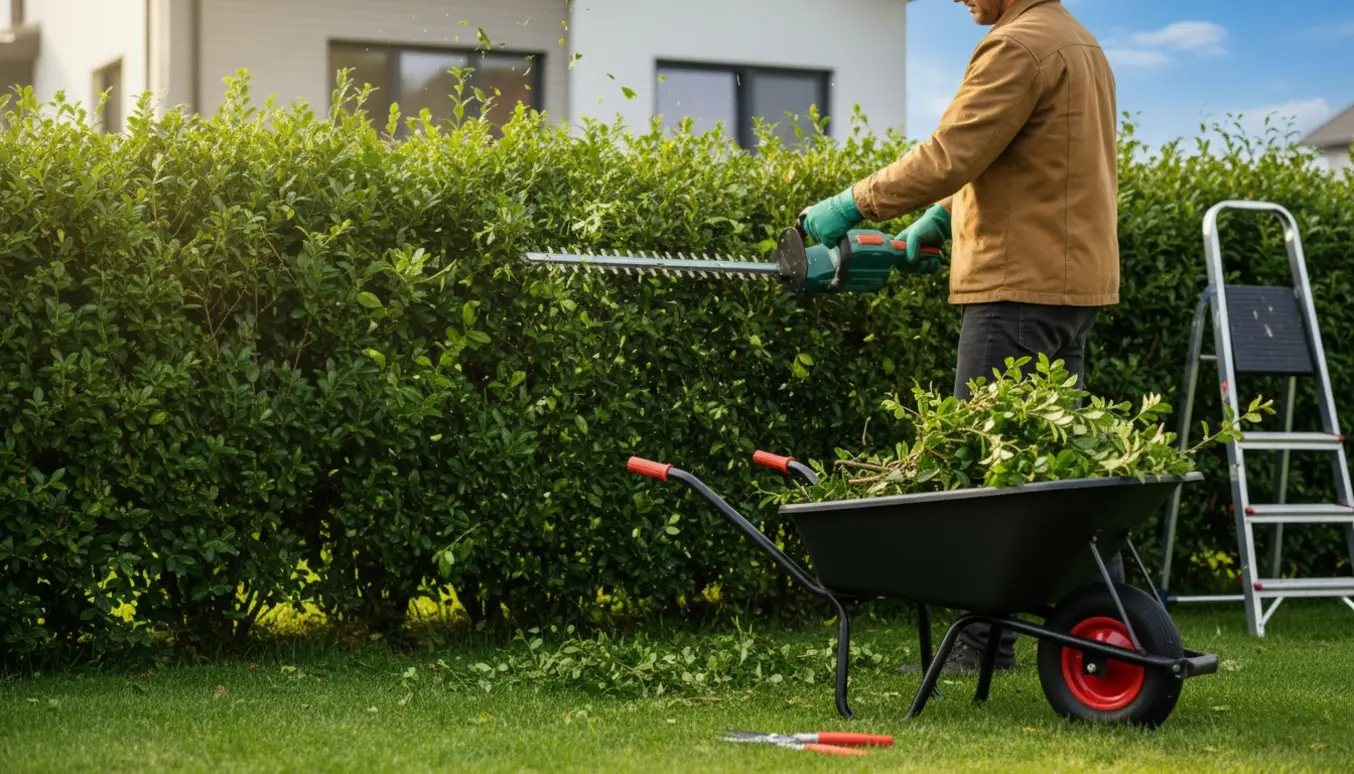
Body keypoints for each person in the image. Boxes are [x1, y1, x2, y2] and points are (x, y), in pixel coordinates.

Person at [800, 0, 1122, 674]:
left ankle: (980, 646)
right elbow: (1027, 156)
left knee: (985, 474)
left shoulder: (1018, 46)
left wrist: (849, 206)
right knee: (1054, 469)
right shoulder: (1076, 42)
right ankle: (1108, 623)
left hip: (1015, 288)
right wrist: (943, 222)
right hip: (1069, 285)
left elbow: (953, 152)